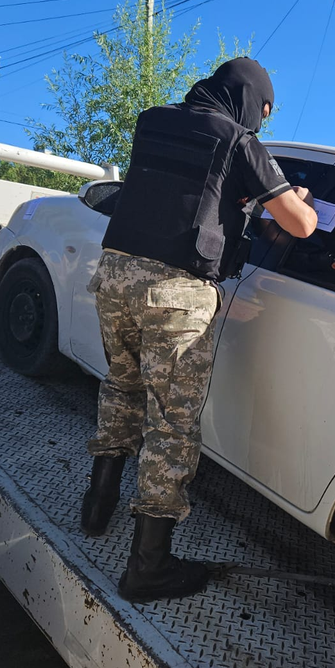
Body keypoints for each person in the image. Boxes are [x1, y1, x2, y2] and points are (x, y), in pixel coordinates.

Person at [80, 58, 317, 604]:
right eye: (263, 110)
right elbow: (300, 226)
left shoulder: (151, 120)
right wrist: (294, 199)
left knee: (121, 385)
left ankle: (96, 509)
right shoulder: (239, 140)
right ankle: (149, 567)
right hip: (175, 293)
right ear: (250, 99)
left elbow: (182, 191)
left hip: (114, 272)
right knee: (172, 424)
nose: (262, 121)